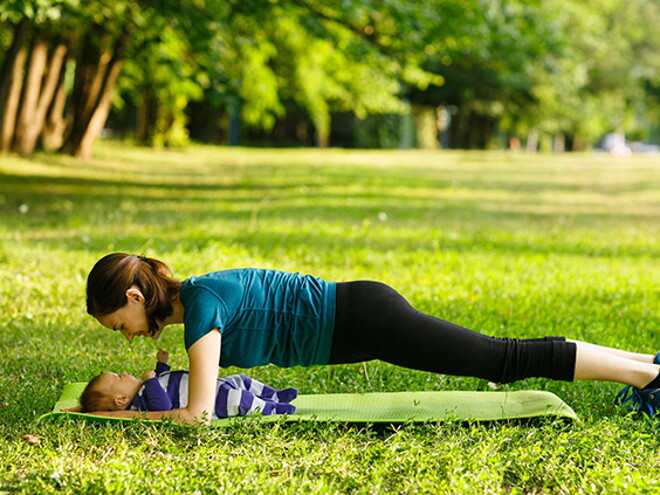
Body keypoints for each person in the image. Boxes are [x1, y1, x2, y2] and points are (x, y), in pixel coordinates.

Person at [84, 252, 660, 424]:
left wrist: (116, 418)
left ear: (136, 298)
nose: (126, 337)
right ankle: (648, 364)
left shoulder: (203, 312)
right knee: (498, 354)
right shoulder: (200, 301)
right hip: (360, 313)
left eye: (119, 325)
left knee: (500, 359)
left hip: (364, 319)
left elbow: (197, 415)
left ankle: (646, 376)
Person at [79, 349, 297, 418]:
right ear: (121, 399)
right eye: (118, 376)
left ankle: (274, 395)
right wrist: (151, 381)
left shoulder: (146, 388)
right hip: (212, 401)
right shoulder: (144, 401)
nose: (124, 372)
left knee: (242, 381)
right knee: (240, 399)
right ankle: (275, 409)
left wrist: (161, 365)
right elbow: (163, 407)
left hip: (210, 383)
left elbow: (165, 381)